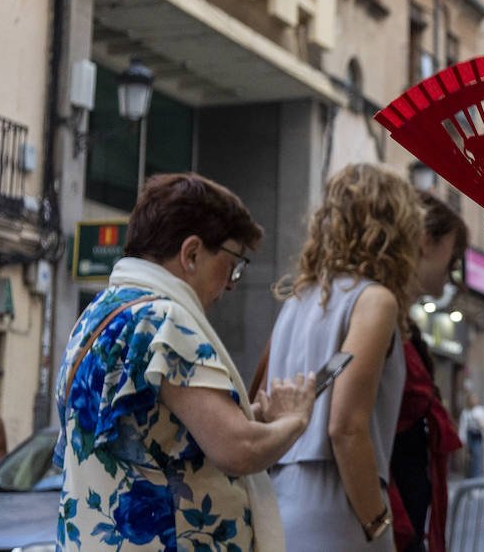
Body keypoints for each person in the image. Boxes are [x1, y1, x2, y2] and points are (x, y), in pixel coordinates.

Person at [54, 173, 316, 551]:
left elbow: (155, 440)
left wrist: (254, 420)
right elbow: (237, 448)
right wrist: (295, 419)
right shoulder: (163, 321)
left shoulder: (99, 314)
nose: (231, 283)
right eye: (233, 262)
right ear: (191, 254)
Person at [267, 163, 460, 550]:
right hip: (337, 510)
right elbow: (346, 427)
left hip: (279, 503)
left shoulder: (298, 300)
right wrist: (377, 522)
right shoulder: (374, 300)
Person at [388, 190, 466, 552]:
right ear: (425, 242)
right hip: (393, 512)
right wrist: (377, 519)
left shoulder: (403, 323)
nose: (452, 276)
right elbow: (349, 426)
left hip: (407, 509)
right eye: (452, 258)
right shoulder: (377, 312)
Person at [457, 393, 484, 479]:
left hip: (477, 434)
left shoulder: (480, 410)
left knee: (477, 454)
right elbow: (463, 426)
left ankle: (476, 476)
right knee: (469, 456)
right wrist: (462, 438)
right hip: (469, 434)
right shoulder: (466, 412)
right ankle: (469, 475)